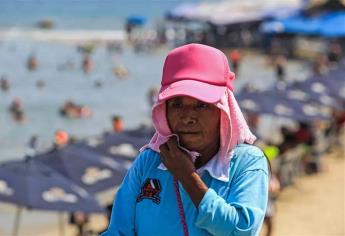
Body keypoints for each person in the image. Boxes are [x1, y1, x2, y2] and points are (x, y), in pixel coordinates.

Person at [102, 44, 269, 236]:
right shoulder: (148, 161)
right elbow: (118, 231)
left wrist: (188, 177)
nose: (188, 117)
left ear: (223, 110)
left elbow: (241, 231)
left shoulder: (246, 162)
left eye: (203, 105)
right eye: (177, 104)